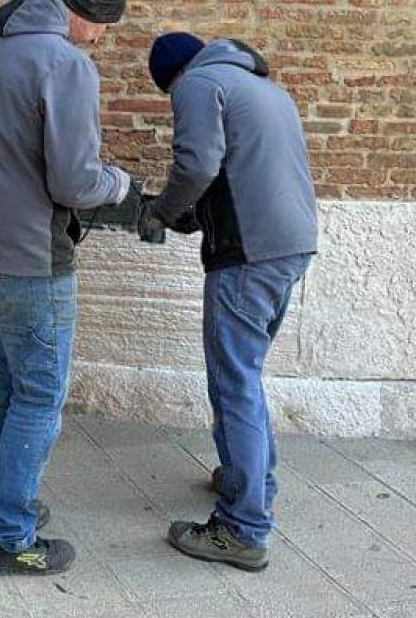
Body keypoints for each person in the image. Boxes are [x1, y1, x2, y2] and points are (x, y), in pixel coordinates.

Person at [0, 0, 133, 576]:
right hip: (30, 261)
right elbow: (76, 182)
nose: (102, 40)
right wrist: (120, 184)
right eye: (104, 28)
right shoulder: (66, 63)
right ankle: (5, 538)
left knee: (11, 382)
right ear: (86, 16)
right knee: (40, 395)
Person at [136, 32, 318, 572]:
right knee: (246, 374)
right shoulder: (260, 86)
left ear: (171, 77)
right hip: (292, 243)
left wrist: (163, 213)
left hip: (249, 253)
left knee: (233, 383)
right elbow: (239, 173)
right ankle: (251, 477)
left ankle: (241, 528)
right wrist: (194, 215)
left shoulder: (197, 83)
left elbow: (197, 166)